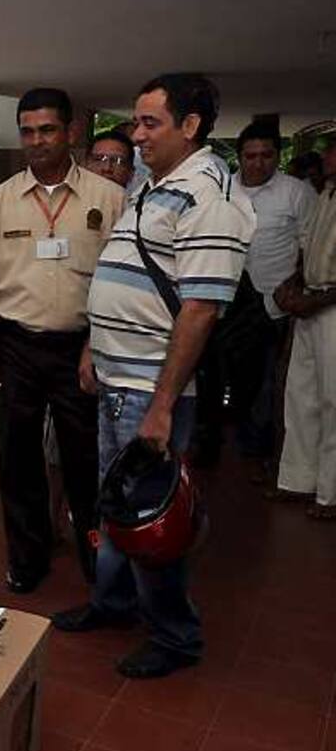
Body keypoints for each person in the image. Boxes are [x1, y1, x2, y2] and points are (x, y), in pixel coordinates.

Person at [57, 73, 255, 679]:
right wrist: (95, 344)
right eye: (136, 122)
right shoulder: (155, 187)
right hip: (119, 376)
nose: (136, 135)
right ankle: (114, 604)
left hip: (152, 387)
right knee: (116, 506)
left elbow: (199, 308)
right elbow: (127, 272)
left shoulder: (209, 196)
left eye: (151, 124)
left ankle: (174, 636)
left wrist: (164, 406)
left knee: (153, 518)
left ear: (190, 126)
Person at [0, 88, 125, 592]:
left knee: (85, 462)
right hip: (15, 347)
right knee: (17, 459)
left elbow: (121, 280)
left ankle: (99, 565)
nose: (36, 141)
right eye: (28, 131)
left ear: (71, 132)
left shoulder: (108, 199)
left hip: (80, 349)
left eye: (47, 130)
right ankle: (27, 561)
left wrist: (101, 345)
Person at [228, 122, 317, 474]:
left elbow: (311, 245)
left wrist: (293, 285)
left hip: (272, 302)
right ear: (239, 157)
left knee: (267, 381)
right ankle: (222, 442)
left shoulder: (296, 192)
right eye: (251, 156)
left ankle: (259, 451)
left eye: (267, 155)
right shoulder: (222, 191)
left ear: (278, 157)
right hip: (227, 300)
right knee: (227, 375)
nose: (259, 163)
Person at [277, 141, 336, 520]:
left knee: (334, 401)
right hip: (311, 303)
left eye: (334, 152)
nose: (327, 158)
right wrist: (294, 285)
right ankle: (299, 480)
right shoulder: (325, 195)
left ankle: (330, 494)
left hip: (331, 308)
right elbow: (309, 249)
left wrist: (320, 298)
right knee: (301, 396)